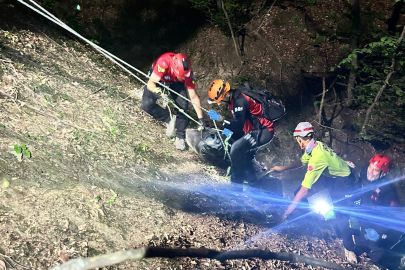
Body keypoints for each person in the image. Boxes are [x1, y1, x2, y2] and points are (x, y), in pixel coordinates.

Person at [270, 122, 354, 219]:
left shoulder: (317, 158)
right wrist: (282, 168)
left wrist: (286, 212)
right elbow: (301, 161)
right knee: (301, 194)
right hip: (332, 174)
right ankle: (305, 218)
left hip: (343, 179)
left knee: (340, 211)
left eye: (297, 139)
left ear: (300, 139)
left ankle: (325, 225)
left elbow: (304, 190)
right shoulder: (315, 145)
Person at [207, 79, 275, 189]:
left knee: (236, 149)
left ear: (226, 94)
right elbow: (238, 125)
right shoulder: (233, 100)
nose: (219, 103)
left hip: (263, 130)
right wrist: (224, 125)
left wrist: (222, 122)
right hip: (252, 130)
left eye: (219, 100)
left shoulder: (239, 101)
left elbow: (237, 127)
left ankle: (236, 186)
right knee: (243, 152)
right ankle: (253, 181)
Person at [338, 154, 404, 267]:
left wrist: (382, 231)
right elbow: (358, 187)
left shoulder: (387, 189)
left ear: (383, 173)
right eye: (370, 167)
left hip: (376, 219)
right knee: (342, 221)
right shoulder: (364, 172)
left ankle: (381, 263)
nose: (370, 172)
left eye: (375, 170)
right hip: (363, 210)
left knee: (373, 244)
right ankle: (351, 246)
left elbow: (391, 213)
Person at [141, 52, 205, 151]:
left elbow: (193, 97)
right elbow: (151, 83)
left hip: (175, 81)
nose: (184, 79)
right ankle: (168, 118)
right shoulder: (163, 63)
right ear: (174, 69)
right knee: (146, 105)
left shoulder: (187, 74)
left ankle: (180, 136)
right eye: (182, 77)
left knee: (183, 105)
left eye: (185, 77)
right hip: (161, 78)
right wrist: (156, 91)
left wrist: (201, 118)